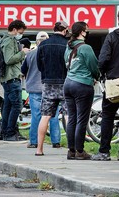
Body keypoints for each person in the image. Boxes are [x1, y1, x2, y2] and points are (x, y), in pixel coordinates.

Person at [91, 7, 119, 161]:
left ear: (118, 19)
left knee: (108, 116)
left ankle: (104, 151)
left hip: (112, 83)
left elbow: (103, 59)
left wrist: (103, 74)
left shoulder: (111, 37)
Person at [64, 21, 100, 160]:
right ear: (82, 32)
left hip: (68, 83)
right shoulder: (86, 48)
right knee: (82, 119)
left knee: (72, 118)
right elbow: (93, 65)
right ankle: (80, 151)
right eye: (87, 30)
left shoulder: (68, 47)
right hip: (82, 84)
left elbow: (66, 64)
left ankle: (71, 151)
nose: (88, 32)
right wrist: (97, 76)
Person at [21, 32, 61, 149]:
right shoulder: (52, 54)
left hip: (34, 89)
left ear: (37, 41)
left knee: (36, 116)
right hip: (51, 88)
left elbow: (23, 70)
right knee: (53, 116)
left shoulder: (30, 54)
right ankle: (56, 141)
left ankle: (34, 141)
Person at [35, 21, 69, 155]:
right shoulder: (67, 44)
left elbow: (39, 65)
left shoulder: (43, 44)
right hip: (65, 83)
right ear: (65, 30)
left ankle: (39, 149)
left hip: (48, 84)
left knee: (45, 116)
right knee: (68, 116)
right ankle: (72, 149)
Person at [0, 19, 30, 142]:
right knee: (17, 106)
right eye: (20, 32)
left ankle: (6, 131)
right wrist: (22, 53)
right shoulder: (10, 41)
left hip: (8, 78)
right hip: (11, 77)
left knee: (8, 106)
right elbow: (9, 59)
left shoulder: (5, 40)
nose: (21, 34)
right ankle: (10, 132)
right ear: (15, 30)